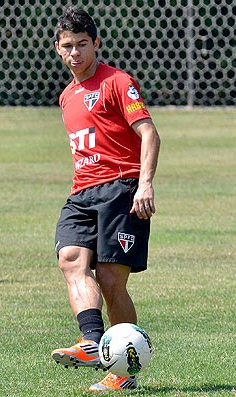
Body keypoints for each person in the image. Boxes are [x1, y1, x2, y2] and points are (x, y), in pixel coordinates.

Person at [51, 6, 160, 392]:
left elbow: (149, 133)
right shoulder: (66, 97)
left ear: (96, 44)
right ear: (58, 49)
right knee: (70, 260)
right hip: (82, 192)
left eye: (83, 44)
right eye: (68, 46)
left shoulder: (117, 82)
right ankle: (92, 341)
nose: (75, 53)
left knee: (112, 280)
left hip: (121, 187)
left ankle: (124, 373)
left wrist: (144, 184)